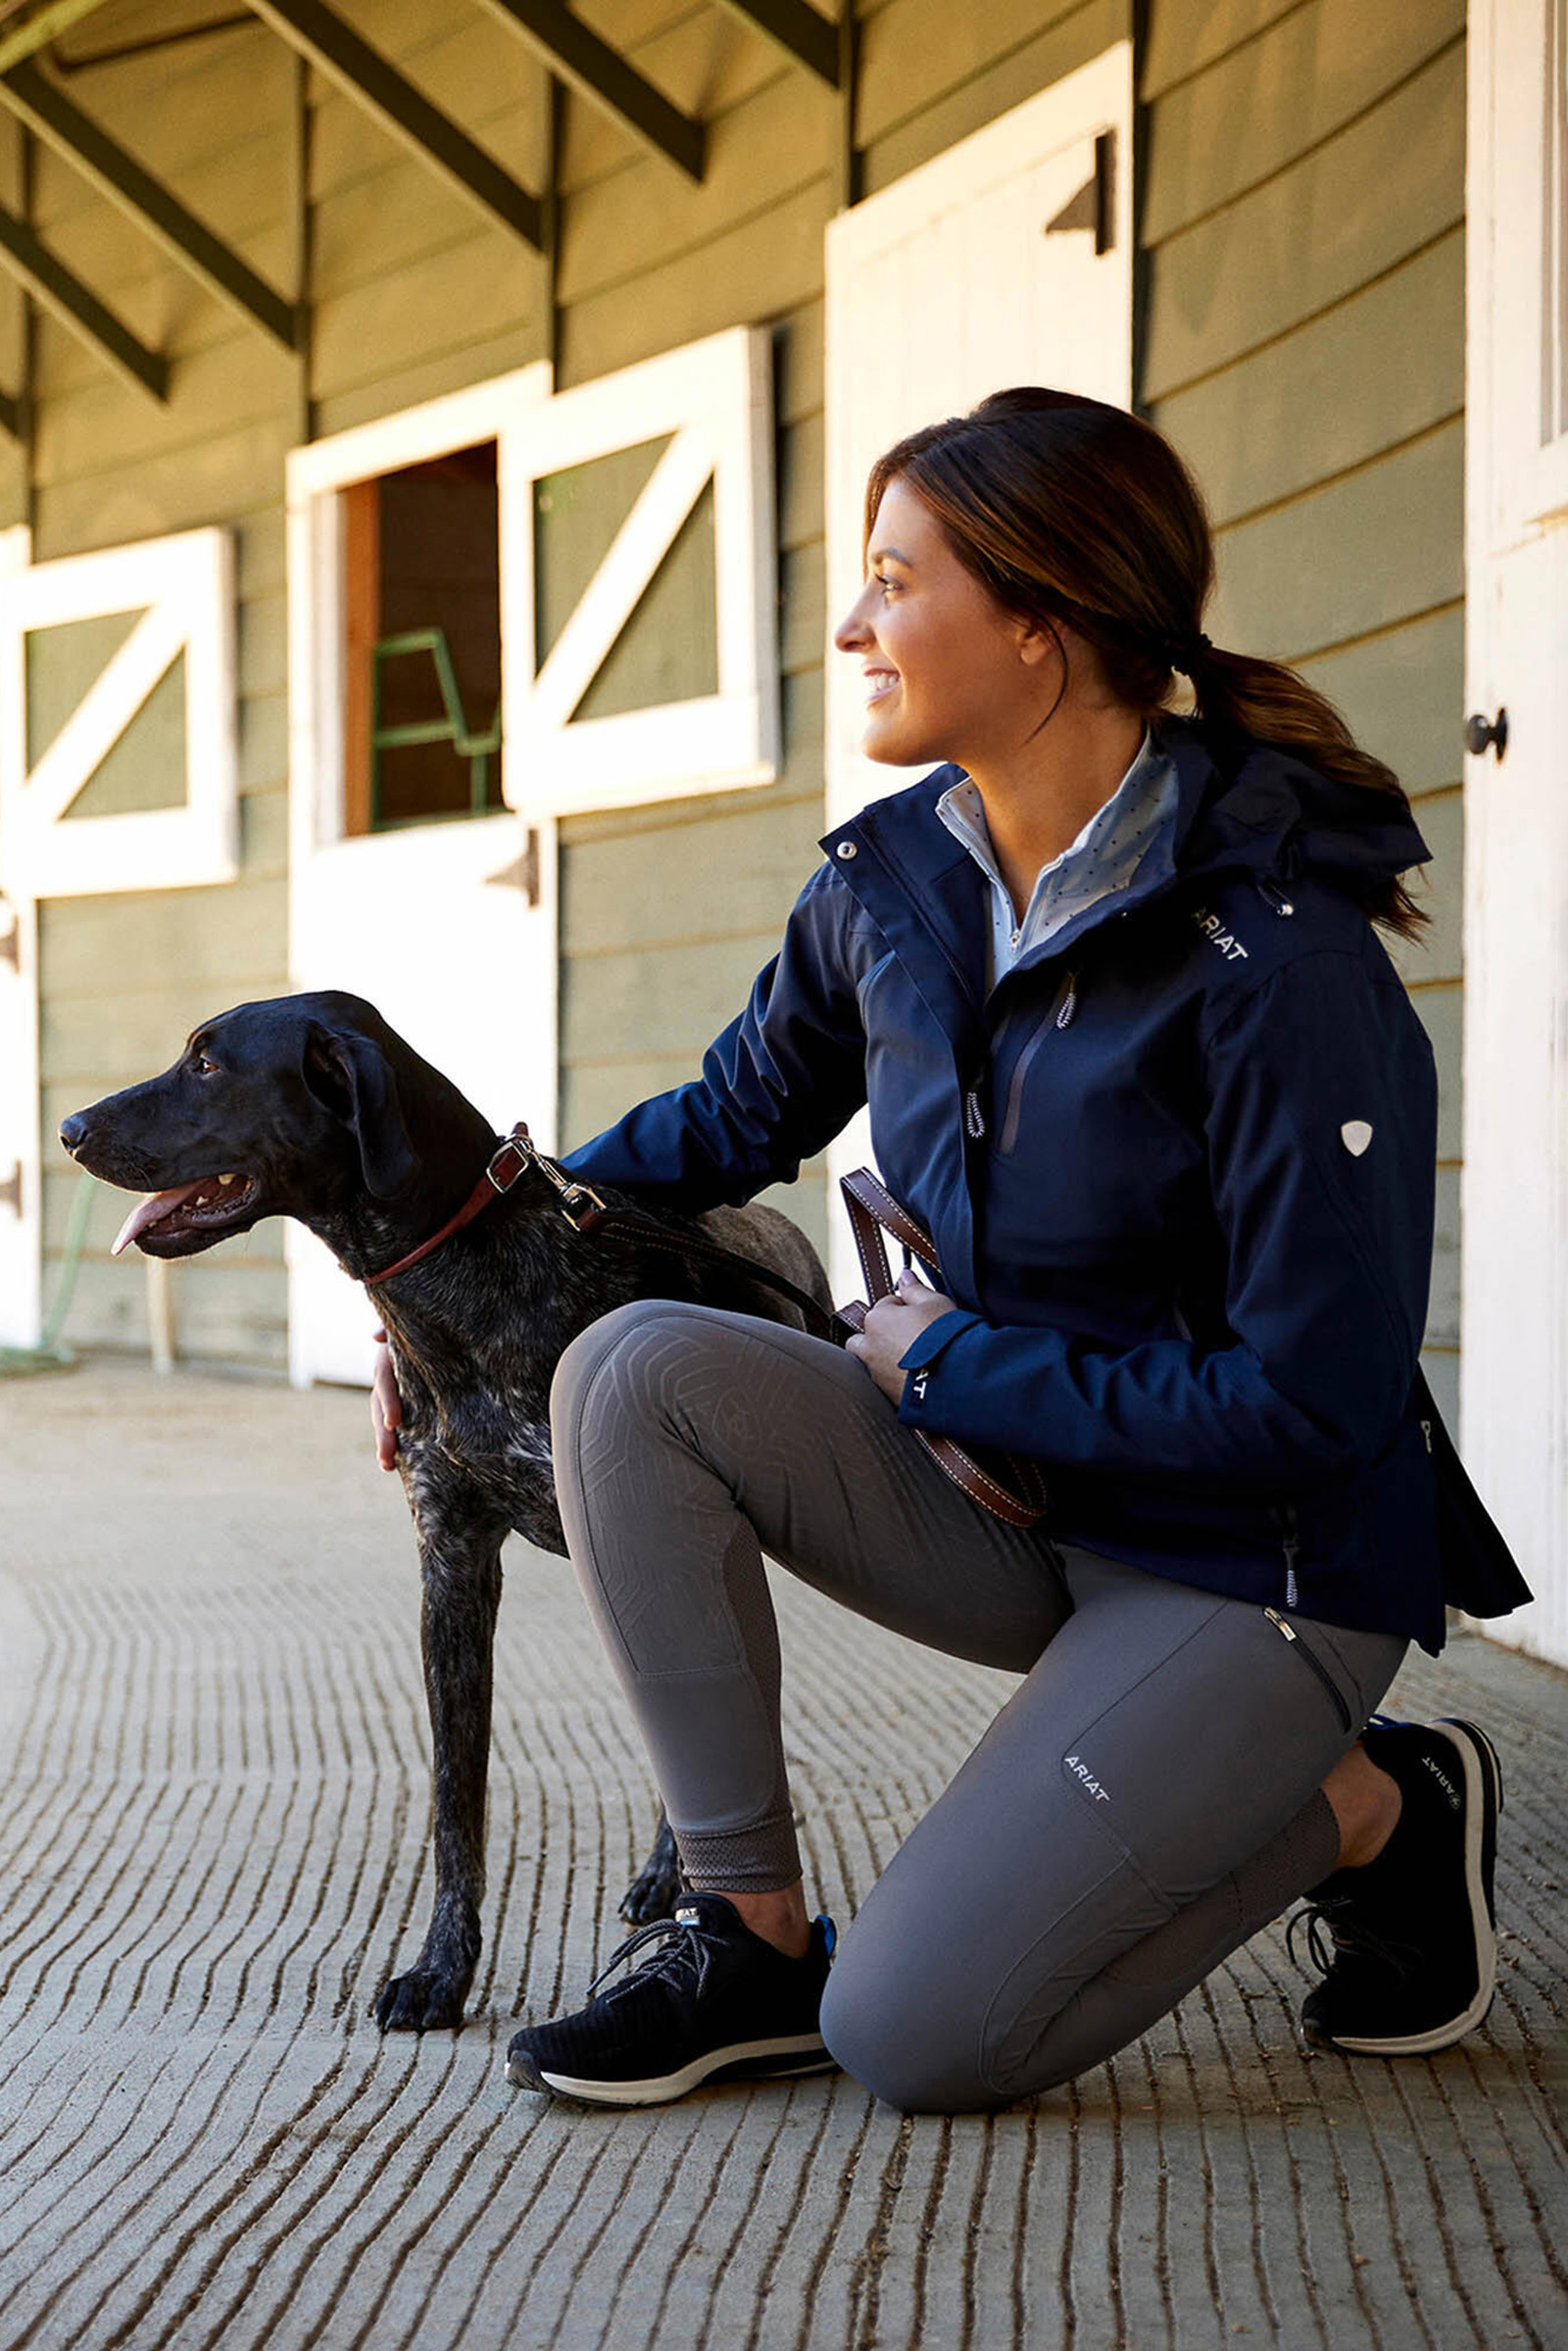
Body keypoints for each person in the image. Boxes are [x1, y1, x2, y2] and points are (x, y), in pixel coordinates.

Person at [375, 387, 1524, 2114]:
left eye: (895, 581)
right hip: (1003, 1488)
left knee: (919, 2032)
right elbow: (728, 1118)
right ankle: (744, 1926)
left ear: (1040, 629)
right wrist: (444, 1292)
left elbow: (1317, 1404)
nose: (853, 625)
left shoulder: (1282, 963)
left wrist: (957, 1364)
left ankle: (1372, 1804)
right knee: (625, 1369)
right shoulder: (898, 880)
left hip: (1249, 1563)